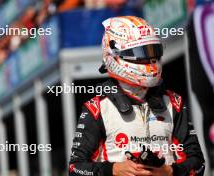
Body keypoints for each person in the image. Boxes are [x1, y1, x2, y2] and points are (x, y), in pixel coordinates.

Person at [69, 16, 205, 176]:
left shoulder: (173, 102)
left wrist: (169, 171)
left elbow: (198, 164)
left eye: (153, 51)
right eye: (142, 53)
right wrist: (113, 169)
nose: (150, 60)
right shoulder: (97, 108)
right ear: (114, 55)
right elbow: (75, 168)